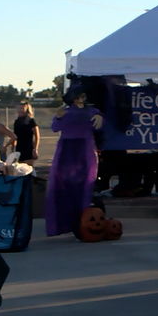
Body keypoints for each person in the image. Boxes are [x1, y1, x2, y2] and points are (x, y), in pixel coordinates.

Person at [45, 87, 103, 236]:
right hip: (67, 151)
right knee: (63, 185)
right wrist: (58, 117)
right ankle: (64, 222)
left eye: (82, 96)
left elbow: (99, 126)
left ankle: (81, 220)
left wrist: (100, 116)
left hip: (85, 150)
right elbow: (55, 127)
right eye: (78, 96)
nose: (81, 99)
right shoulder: (66, 111)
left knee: (84, 184)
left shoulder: (92, 111)